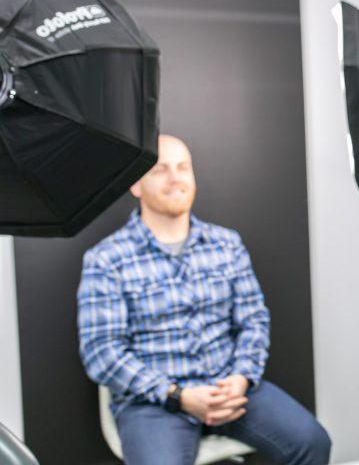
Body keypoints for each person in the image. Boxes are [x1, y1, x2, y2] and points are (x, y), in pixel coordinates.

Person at [77, 134, 331, 465]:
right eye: (161, 169)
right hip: (154, 403)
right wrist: (176, 395)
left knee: (312, 442)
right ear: (136, 185)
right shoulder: (107, 259)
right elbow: (101, 352)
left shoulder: (226, 244)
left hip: (231, 390)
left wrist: (241, 377)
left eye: (183, 167)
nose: (175, 178)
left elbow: (254, 320)